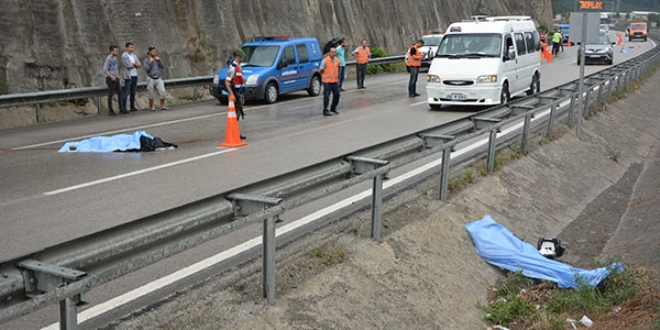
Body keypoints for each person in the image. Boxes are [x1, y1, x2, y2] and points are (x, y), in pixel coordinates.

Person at [225, 48, 247, 140]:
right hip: (235, 94)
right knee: (234, 115)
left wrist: (242, 96)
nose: (243, 58)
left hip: (239, 93)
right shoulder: (232, 68)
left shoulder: (238, 67)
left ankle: (235, 132)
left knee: (237, 115)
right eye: (242, 57)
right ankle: (234, 133)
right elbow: (227, 82)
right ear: (238, 56)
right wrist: (232, 95)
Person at [102, 45, 127, 115]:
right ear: (112, 51)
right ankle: (111, 110)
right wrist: (111, 76)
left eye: (117, 51)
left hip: (116, 78)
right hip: (111, 79)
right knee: (111, 94)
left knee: (120, 93)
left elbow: (115, 68)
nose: (117, 52)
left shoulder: (115, 58)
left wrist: (118, 77)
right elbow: (105, 69)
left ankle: (121, 109)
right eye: (115, 51)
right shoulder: (108, 58)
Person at [143, 46, 169, 111]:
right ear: (149, 52)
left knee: (162, 91)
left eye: (155, 51)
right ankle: (152, 106)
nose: (154, 53)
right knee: (151, 92)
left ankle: (162, 105)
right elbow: (146, 69)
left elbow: (163, 66)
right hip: (150, 78)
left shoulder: (157, 59)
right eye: (153, 51)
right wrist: (150, 63)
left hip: (158, 77)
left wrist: (159, 60)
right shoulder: (146, 60)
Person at [320, 47, 340, 116]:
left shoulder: (337, 60)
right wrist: (325, 76)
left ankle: (333, 108)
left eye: (334, 52)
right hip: (327, 81)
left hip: (334, 81)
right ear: (329, 53)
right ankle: (325, 110)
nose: (333, 53)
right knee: (326, 96)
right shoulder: (325, 61)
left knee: (337, 95)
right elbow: (321, 70)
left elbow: (338, 69)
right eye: (332, 52)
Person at [122, 42, 141, 112]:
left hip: (135, 75)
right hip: (128, 76)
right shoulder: (124, 56)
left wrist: (134, 64)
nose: (132, 48)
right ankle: (123, 107)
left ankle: (132, 106)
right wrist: (135, 65)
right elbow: (128, 65)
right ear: (127, 48)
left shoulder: (134, 55)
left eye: (133, 47)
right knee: (126, 92)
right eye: (131, 47)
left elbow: (139, 64)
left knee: (133, 92)